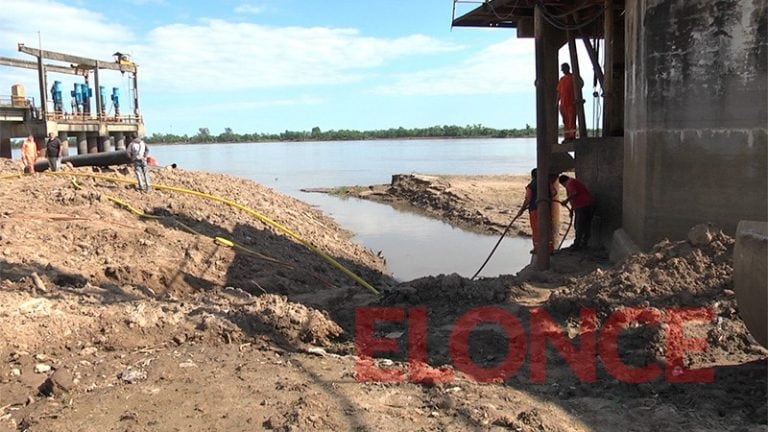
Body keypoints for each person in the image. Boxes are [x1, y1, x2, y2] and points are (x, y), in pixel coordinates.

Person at [515, 168, 558, 254]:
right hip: (546, 209)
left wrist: (521, 210)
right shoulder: (546, 183)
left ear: (532, 176)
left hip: (534, 209)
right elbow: (554, 192)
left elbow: (528, 199)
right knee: (547, 228)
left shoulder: (531, 185)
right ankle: (550, 248)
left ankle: (537, 249)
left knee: (536, 229)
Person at [558, 174, 596, 250]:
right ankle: (583, 243)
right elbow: (574, 198)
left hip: (583, 205)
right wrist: (572, 210)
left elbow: (574, 193)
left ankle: (577, 244)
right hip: (585, 205)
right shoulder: (573, 182)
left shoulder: (570, 183)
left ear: (563, 182)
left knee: (579, 225)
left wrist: (566, 200)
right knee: (584, 225)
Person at [556, 63, 577, 143]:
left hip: (571, 104)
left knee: (572, 121)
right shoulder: (562, 80)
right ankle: (567, 137)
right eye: (562, 69)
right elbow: (558, 92)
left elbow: (581, 84)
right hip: (563, 105)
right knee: (565, 122)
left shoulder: (574, 77)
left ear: (568, 68)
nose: (563, 71)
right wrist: (556, 102)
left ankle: (572, 137)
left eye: (564, 69)